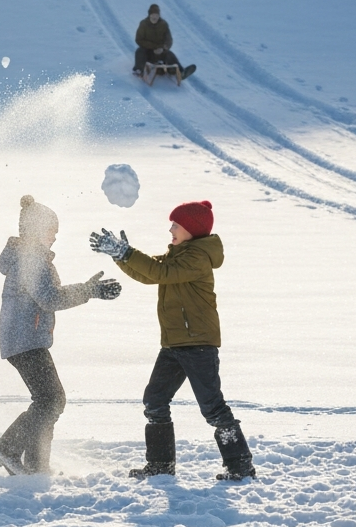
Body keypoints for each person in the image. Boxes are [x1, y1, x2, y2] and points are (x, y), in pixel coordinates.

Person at [90, 201, 257, 482]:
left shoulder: (196, 259)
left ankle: (240, 466)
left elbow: (159, 273)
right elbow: (149, 274)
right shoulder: (179, 255)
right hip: (173, 344)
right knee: (154, 401)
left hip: (198, 344)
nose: (171, 230)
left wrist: (127, 252)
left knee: (212, 408)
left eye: (176, 226)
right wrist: (120, 257)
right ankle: (160, 465)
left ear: (191, 230)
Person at [0, 195, 122, 476]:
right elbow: (49, 298)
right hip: (26, 340)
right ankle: (8, 450)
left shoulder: (27, 255)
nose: (54, 238)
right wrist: (90, 291)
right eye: (52, 232)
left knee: (47, 401)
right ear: (37, 230)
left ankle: (36, 466)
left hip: (24, 339)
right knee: (51, 400)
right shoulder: (31, 258)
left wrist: (88, 290)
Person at [134, 3, 196, 81]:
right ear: (149, 15)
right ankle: (139, 71)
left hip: (160, 51)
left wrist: (163, 48)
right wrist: (153, 47)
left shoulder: (163, 24)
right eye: (153, 15)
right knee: (139, 52)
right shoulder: (143, 24)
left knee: (170, 54)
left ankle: (180, 72)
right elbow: (139, 39)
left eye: (156, 15)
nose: (154, 17)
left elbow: (169, 39)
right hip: (148, 51)